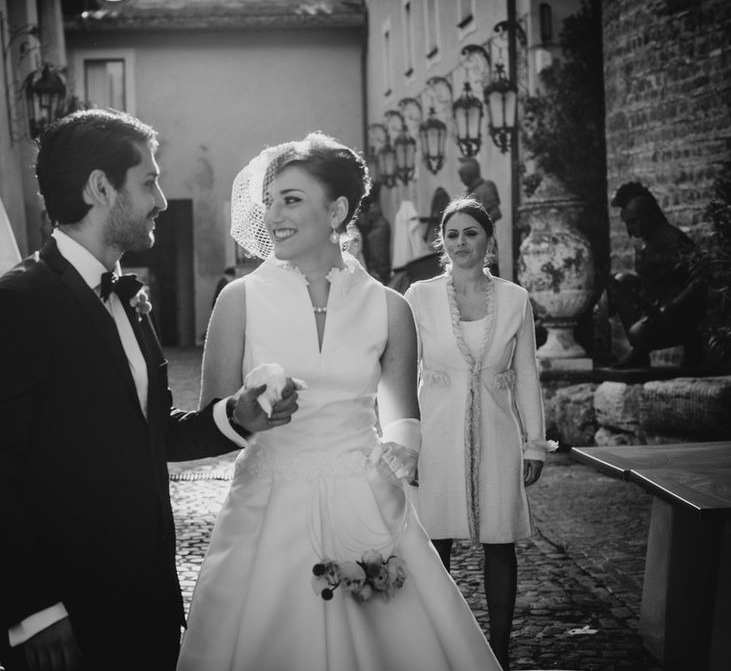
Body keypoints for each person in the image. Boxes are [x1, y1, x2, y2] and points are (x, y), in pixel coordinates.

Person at [176, 133, 503, 671]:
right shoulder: (238, 300)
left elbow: (401, 415)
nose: (274, 213)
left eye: (292, 199)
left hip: (365, 503)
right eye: (271, 199)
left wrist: (404, 449)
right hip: (267, 505)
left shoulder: (390, 308)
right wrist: (247, 411)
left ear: (338, 210)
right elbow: (212, 419)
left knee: (392, 638)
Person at [0, 109, 300, 671]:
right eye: (149, 181)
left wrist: (237, 417)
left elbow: (151, 431)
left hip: (147, 599)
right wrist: (35, 610)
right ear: (100, 188)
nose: (161, 199)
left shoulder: (128, 300)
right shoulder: (18, 303)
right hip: (65, 619)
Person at [404, 198, 547, 670]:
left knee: (499, 543)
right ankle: (438, 650)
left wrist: (534, 443)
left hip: (499, 432)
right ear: (441, 243)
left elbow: (526, 372)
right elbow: (401, 374)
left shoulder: (514, 299)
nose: (461, 243)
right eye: (452, 235)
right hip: (435, 433)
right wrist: (404, 442)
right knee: (434, 545)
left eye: (471, 233)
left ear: (488, 240)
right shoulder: (418, 297)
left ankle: (500, 652)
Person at [608, 182, 707, 368]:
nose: (629, 231)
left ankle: (691, 347)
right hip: (657, 308)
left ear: (647, 217)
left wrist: (671, 307)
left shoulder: (673, 239)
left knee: (637, 334)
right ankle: (640, 355)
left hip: (679, 313)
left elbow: (699, 281)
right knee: (621, 281)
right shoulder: (647, 242)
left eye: (633, 222)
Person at [458, 157, 501, 276]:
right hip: (471, 241)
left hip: (485, 242)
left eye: (463, 176)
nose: (461, 180)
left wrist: (477, 225)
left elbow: (496, 212)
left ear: (470, 174)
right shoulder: (471, 191)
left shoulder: (484, 189)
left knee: (489, 275)